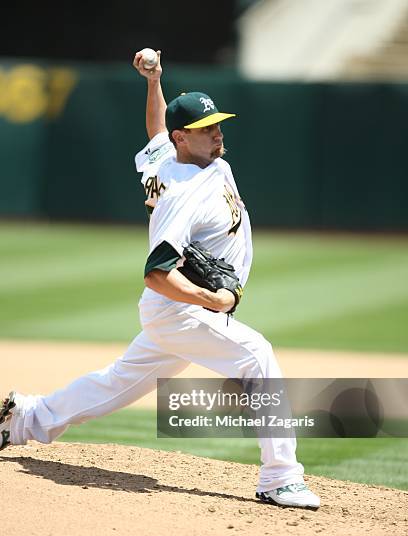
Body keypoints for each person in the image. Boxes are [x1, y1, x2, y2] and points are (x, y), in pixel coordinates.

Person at [0, 50, 319, 510]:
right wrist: (211, 300)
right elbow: (156, 273)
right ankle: (280, 478)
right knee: (257, 357)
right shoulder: (185, 192)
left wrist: (154, 83)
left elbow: (155, 131)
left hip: (173, 314)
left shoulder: (168, 160)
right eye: (205, 128)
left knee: (117, 382)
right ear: (182, 139)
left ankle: (24, 418)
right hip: (181, 310)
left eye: (216, 123)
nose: (217, 132)